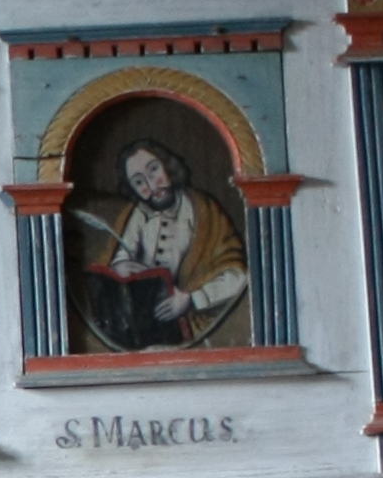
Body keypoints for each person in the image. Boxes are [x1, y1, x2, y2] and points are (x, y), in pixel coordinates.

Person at [67, 141, 248, 350]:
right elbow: (121, 253)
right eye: (139, 182)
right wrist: (121, 265)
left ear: (167, 166)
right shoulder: (139, 214)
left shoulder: (204, 213)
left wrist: (191, 300)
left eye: (153, 170)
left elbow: (238, 276)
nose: (152, 186)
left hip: (194, 329)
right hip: (143, 326)